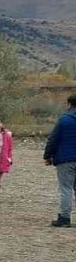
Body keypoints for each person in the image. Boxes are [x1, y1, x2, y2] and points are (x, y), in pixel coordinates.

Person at [43, 93, 76, 227]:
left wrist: (47, 155)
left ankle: (64, 217)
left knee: (66, 188)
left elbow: (53, 139)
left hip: (66, 159)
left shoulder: (64, 119)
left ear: (69, 104)